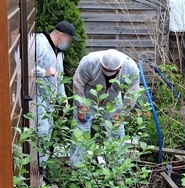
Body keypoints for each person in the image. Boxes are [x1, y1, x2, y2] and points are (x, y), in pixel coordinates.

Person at [70, 49, 140, 164]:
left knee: (116, 130)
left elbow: (132, 92)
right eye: (105, 70)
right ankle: (77, 167)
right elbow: (78, 82)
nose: (107, 72)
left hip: (111, 100)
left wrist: (124, 113)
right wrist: (81, 105)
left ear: (120, 67)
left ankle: (117, 165)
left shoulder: (131, 68)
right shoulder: (89, 62)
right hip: (88, 98)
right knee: (80, 131)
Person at [36, 21, 79, 173]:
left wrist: (63, 98)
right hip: (36, 100)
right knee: (41, 132)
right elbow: (23, 65)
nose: (69, 43)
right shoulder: (39, 42)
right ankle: (40, 169)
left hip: (50, 104)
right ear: (62, 35)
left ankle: (44, 168)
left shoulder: (59, 53)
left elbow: (59, 77)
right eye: (69, 40)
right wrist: (43, 72)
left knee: (48, 131)